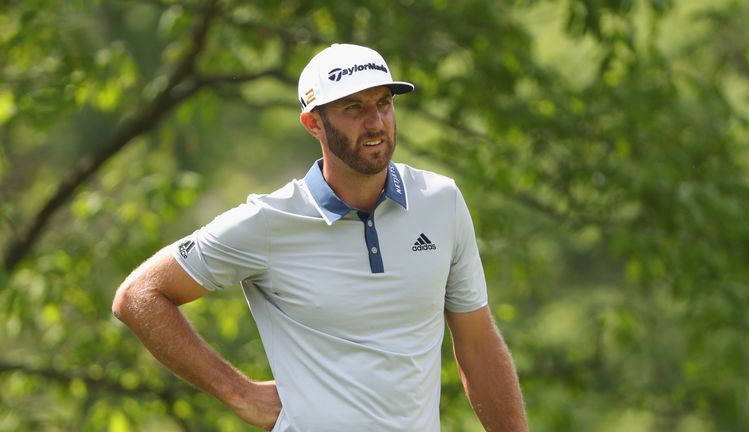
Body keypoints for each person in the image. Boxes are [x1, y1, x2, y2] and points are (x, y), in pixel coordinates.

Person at [112, 43, 528, 431]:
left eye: (384, 103)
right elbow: (140, 295)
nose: (375, 122)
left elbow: (476, 344)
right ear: (314, 123)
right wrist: (238, 392)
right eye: (354, 107)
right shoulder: (270, 221)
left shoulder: (440, 202)